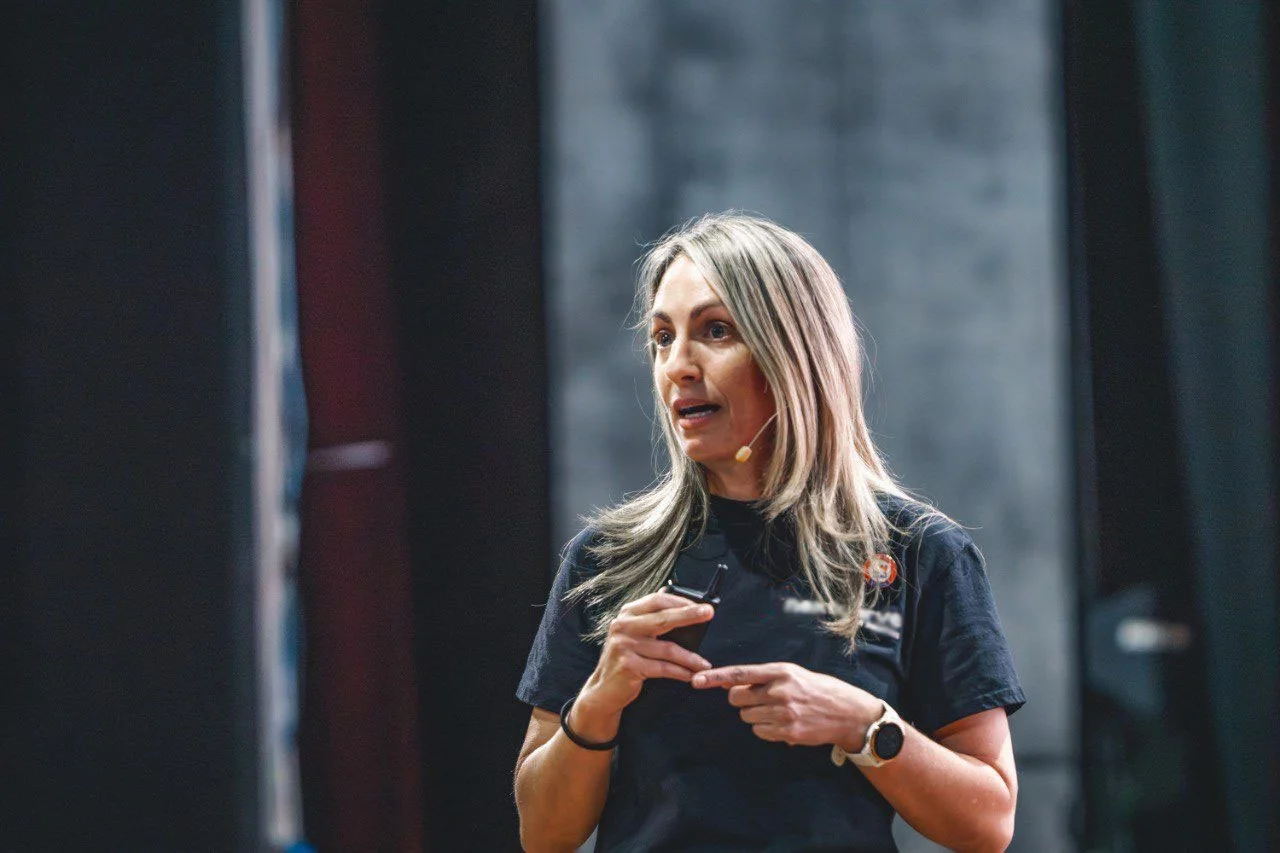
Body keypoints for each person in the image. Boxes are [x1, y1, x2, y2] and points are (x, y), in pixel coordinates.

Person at [514, 213, 1025, 852]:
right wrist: (596, 704)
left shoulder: (918, 552)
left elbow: (988, 824)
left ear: (794, 350)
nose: (678, 365)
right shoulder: (609, 558)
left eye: (716, 331)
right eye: (663, 338)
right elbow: (542, 835)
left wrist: (865, 725)